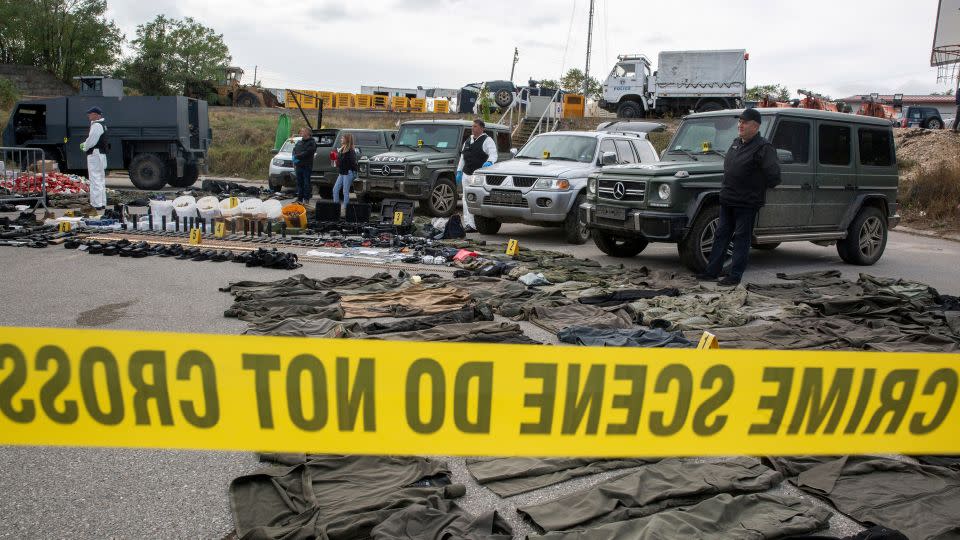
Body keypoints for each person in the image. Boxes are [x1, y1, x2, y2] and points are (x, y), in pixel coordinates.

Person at [697, 108, 781, 286]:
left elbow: (774, 177)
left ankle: (734, 276)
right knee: (721, 236)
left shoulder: (763, 147)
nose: (740, 125)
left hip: (747, 202)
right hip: (728, 199)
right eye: (739, 122)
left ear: (756, 126)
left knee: (741, 239)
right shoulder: (736, 143)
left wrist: (755, 186)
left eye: (745, 122)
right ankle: (711, 272)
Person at [455, 119, 497, 232]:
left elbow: (493, 154)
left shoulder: (487, 140)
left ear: (482, 128)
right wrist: (459, 171)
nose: (472, 128)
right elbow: (463, 157)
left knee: (476, 199)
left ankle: (477, 224)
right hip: (466, 174)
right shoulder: (468, 141)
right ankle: (469, 224)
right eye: (472, 126)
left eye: (475, 126)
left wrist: (490, 162)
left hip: (478, 176)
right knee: (465, 199)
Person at [80, 106, 108, 213]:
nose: (88, 115)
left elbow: (92, 140)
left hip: (95, 154)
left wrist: (84, 146)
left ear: (97, 115)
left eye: (90, 113)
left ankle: (95, 204)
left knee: (95, 179)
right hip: (101, 154)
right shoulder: (103, 125)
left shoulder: (96, 125)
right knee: (100, 179)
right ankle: (102, 203)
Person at [332, 133, 358, 217]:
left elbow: (353, 163)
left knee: (345, 191)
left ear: (347, 140)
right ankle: (336, 207)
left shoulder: (351, 151)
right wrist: (336, 161)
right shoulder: (341, 149)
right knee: (335, 189)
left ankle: (345, 209)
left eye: (342, 138)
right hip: (342, 172)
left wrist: (354, 173)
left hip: (348, 172)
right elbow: (339, 160)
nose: (341, 139)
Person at [291, 128, 317, 204]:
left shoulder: (312, 143)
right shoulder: (299, 141)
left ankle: (306, 199)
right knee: (299, 183)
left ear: (308, 133)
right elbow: (294, 149)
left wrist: (297, 156)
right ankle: (299, 199)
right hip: (298, 165)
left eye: (303, 131)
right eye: (301, 131)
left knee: (306, 183)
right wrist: (294, 156)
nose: (301, 132)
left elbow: (308, 152)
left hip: (306, 166)